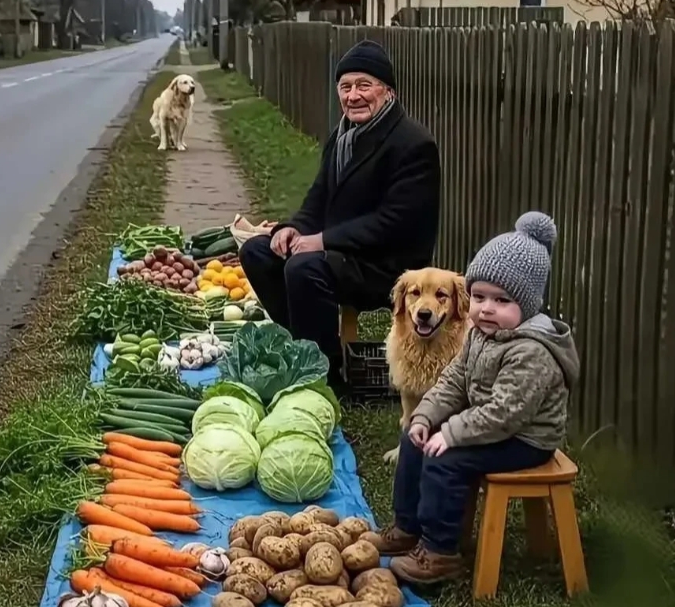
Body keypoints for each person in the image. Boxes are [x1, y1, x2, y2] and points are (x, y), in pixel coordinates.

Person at [384, 211, 580, 584]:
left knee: (446, 457)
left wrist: (451, 433)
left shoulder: (531, 352)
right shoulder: (481, 335)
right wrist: (424, 417)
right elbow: (454, 381)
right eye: (479, 297)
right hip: (493, 424)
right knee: (414, 436)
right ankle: (406, 527)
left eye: (502, 299)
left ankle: (440, 552)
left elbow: (504, 414)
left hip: (525, 438)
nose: (487, 308)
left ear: (528, 303)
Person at [238, 39, 441, 383]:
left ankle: (323, 377)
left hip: (387, 263)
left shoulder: (413, 144)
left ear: (388, 91)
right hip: (343, 253)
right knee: (258, 250)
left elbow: (394, 223)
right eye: (345, 87)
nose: (353, 96)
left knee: (304, 266)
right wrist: (291, 228)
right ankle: (306, 350)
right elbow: (318, 197)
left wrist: (322, 240)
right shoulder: (342, 136)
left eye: (364, 85)